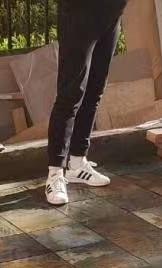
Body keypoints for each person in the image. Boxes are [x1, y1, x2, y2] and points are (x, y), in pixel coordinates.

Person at [46, 0, 128, 205]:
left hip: (112, 12)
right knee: (70, 93)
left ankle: (77, 163)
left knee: (95, 90)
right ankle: (55, 173)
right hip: (80, 12)